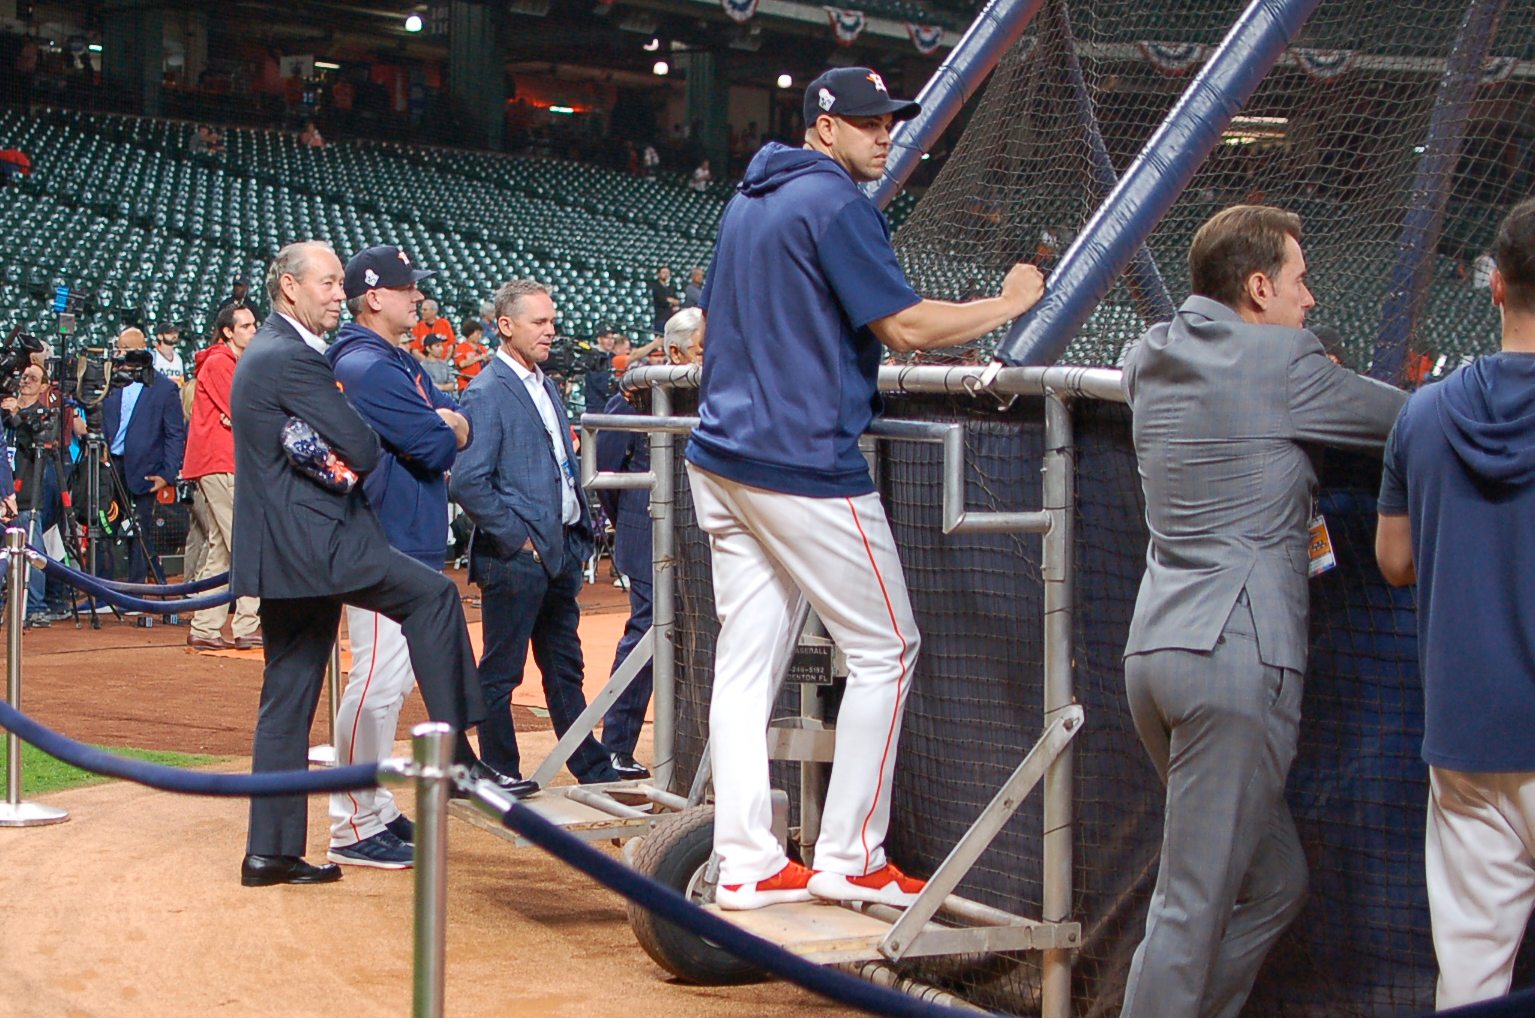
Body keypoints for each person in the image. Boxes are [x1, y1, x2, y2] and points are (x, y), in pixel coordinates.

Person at [687, 66, 1046, 910]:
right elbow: (907, 327)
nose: (882, 135)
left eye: (888, 120)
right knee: (887, 646)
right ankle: (850, 856)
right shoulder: (832, 202)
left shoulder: (749, 200)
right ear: (822, 126)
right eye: (866, 122)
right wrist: (1005, 299)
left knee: (745, 667)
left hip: (722, 456)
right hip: (803, 465)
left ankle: (746, 860)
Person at [1117, 205, 1407, 1018]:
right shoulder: (1286, 363)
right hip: (1236, 661)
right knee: (1188, 909)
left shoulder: (1147, 354)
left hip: (1154, 658)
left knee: (1275, 883)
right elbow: (1417, 420)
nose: (1308, 300)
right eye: (1298, 280)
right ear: (1256, 286)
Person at [229, 241, 502, 889]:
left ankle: (269, 853)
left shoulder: (272, 352)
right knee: (432, 599)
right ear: (290, 288)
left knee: (287, 702)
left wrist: (315, 440)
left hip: (285, 552)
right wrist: (344, 441)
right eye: (325, 282)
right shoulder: (293, 356)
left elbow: (326, 441)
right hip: (321, 547)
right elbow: (359, 446)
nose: (336, 292)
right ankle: (458, 756)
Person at [1375, 198, 1535, 1009]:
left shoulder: (1424, 412)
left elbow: (1393, 560)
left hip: (1466, 736)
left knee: (1470, 984)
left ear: (1495, 284)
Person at [325, 244, 481, 870]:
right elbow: (435, 441)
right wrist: (444, 423)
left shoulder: (395, 360)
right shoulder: (366, 364)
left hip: (407, 532)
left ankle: (375, 810)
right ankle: (351, 822)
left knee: (392, 679)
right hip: (381, 535)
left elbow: (455, 419)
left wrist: (446, 420)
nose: (418, 296)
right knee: (376, 681)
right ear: (374, 297)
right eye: (407, 287)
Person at [451, 279, 621, 788]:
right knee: (502, 672)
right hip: (516, 559)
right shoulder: (484, 391)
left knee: (565, 669)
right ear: (506, 327)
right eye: (538, 322)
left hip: (559, 551)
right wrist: (518, 538)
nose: (550, 331)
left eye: (552, 321)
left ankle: (588, 765)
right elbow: (467, 481)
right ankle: (499, 768)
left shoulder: (543, 382)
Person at [183, 304, 262, 652]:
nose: (253, 330)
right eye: (245, 325)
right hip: (221, 462)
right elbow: (244, 409)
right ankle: (247, 625)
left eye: (254, 324)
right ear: (228, 331)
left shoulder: (231, 362)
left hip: (221, 461)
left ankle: (204, 627)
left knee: (222, 550)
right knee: (247, 543)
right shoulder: (220, 362)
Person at [101, 327, 186, 584]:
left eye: (127, 349)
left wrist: (167, 474)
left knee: (140, 532)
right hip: (111, 467)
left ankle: (136, 590)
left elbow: (175, 435)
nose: (121, 354)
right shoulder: (110, 382)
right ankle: (103, 589)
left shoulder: (164, 388)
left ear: (143, 351)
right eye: (119, 348)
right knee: (105, 530)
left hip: (145, 471)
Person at [3, 364, 64, 626]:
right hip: (4, 494)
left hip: (27, 492)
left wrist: (16, 415)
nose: (26, 381)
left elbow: (36, 441)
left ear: (43, 387)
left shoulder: (43, 413)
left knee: (32, 549)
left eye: (33, 378)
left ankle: (36, 605)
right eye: (24, 376)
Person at [452, 319, 492, 392]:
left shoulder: (482, 348)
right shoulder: (461, 347)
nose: (479, 336)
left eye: (480, 334)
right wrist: (478, 358)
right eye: (477, 334)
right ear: (470, 333)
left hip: (483, 384)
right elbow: (461, 364)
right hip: (467, 385)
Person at [152, 321, 185, 386]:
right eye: (169, 333)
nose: (174, 335)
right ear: (160, 336)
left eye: (176, 332)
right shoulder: (152, 356)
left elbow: (181, 382)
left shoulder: (178, 358)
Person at [648, 265, 678, 334]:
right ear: (659, 274)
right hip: (661, 318)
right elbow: (663, 301)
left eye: (667, 273)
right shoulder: (656, 287)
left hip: (670, 318)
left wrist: (670, 300)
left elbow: (677, 301)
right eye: (664, 272)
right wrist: (670, 301)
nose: (666, 275)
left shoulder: (671, 287)